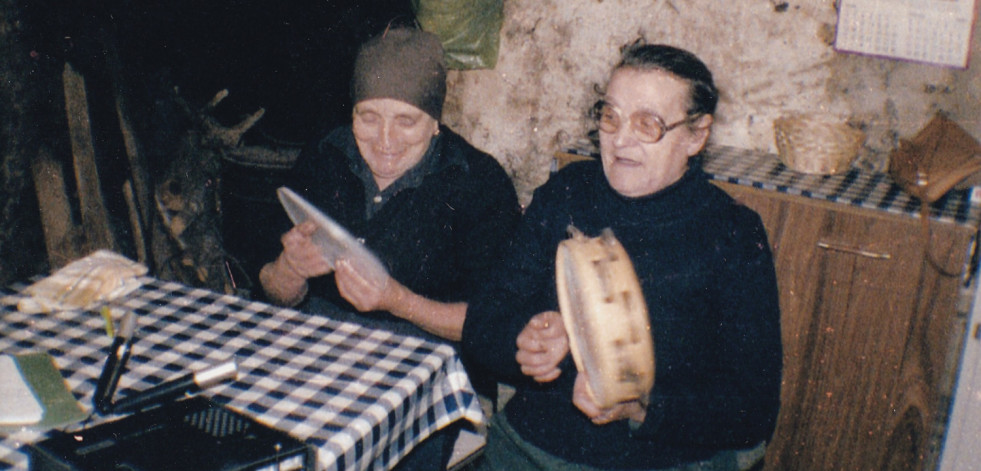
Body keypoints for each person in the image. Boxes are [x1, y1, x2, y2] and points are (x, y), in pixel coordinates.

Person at [462, 42, 782, 471]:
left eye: (647, 123)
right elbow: (483, 321)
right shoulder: (567, 193)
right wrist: (522, 342)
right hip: (532, 449)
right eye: (610, 116)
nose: (620, 138)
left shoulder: (731, 234)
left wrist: (642, 407)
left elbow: (753, 408)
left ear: (695, 135)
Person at [258, 26, 521, 468]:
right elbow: (271, 289)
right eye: (368, 116)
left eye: (406, 120)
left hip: (421, 371)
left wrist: (399, 302)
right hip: (317, 350)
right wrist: (290, 270)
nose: (384, 140)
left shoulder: (477, 182)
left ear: (435, 120)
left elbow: (493, 324)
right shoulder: (325, 156)